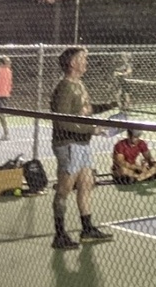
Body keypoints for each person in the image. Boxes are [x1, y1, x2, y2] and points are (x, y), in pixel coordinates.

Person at [50, 47, 118, 249]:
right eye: (82, 58)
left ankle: (87, 229)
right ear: (72, 63)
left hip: (82, 144)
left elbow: (85, 110)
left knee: (87, 184)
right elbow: (63, 121)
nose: (86, 61)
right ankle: (59, 234)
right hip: (68, 144)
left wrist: (110, 105)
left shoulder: (79, 84)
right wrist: (93, 129)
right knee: (64, 188)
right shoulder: (64, 88)